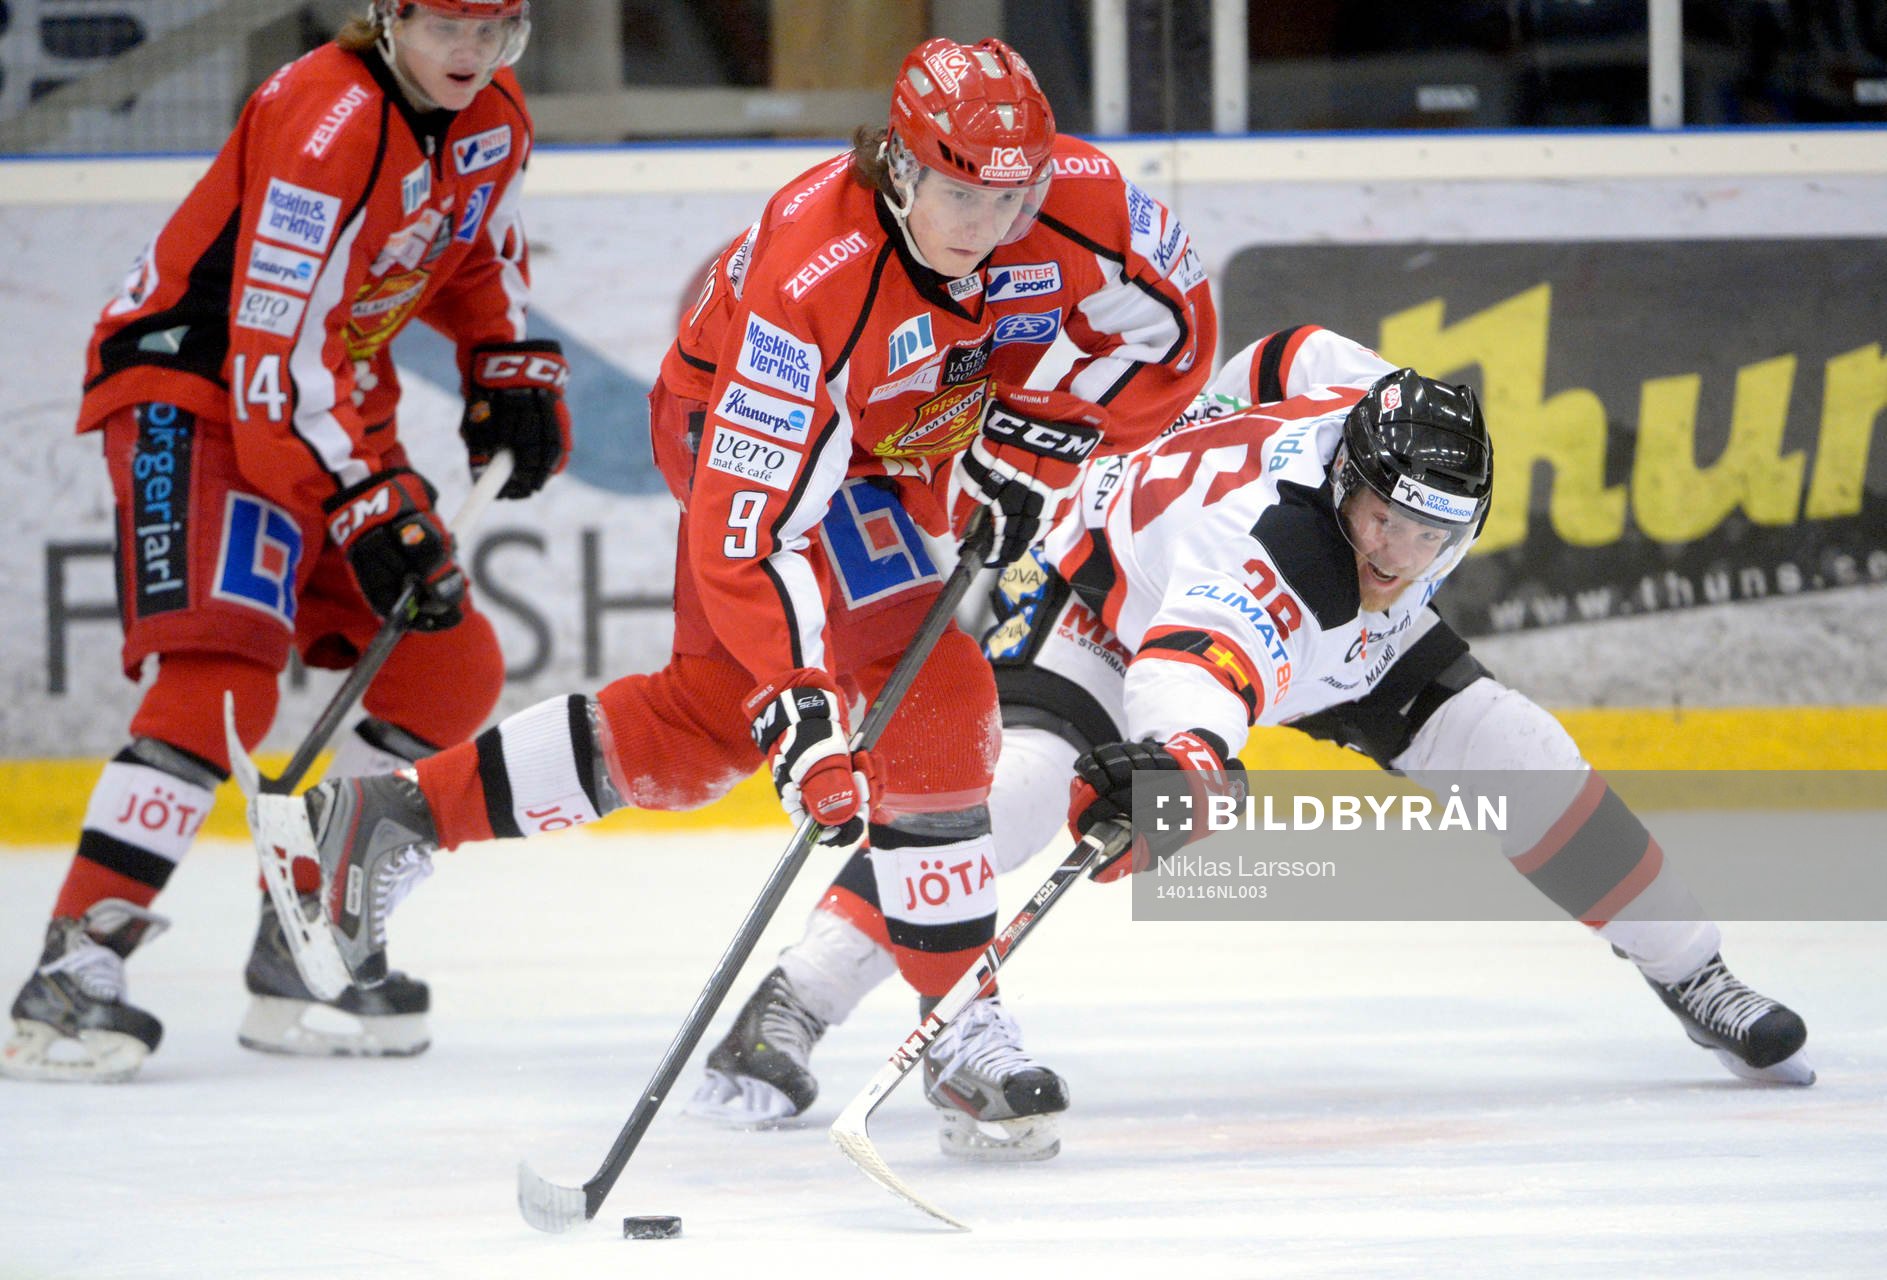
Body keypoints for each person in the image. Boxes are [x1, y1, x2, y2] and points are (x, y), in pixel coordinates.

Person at [237, 34, 1216, 1157]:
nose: (989, 224)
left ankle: (395, 814)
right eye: (959, 192)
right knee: (932, 686)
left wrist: (1060, 428)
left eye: (1013, 195)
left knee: (706, 722)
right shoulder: (808, 281)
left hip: (897, 444)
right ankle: (963, 1028)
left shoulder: (1085, 198)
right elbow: (751, 531)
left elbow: (1176, 321)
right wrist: (802, 701)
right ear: (899, 165)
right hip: (747, 442)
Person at [694, 323, 1813, 1132]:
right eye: (1381, 521)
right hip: (1110, 602)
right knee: (1023, 794)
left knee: (1521, 754)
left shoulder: (1374, 419)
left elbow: (1295, 353)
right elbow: (1196, 668)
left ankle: (1695, 972)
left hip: (1300, 637)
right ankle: (792, 1001)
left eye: (1431, 536)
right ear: (1347, 484)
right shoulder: (1269, 563)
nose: (1397, 559)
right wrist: (1183, 764)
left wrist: (1208, 420)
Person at [2, 0, 572, 1083]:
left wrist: (509, 362)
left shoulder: (493, 115)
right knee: (224, 670)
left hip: (323, 400)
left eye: (496, 30)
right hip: (201, 392)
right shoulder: (326, 115)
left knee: (447, 663)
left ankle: (300, 931)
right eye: (449, 27)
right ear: (387, 16)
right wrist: (362, 498)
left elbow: (473, 257)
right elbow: (270, 347)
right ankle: (74, 962)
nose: (473, 55)